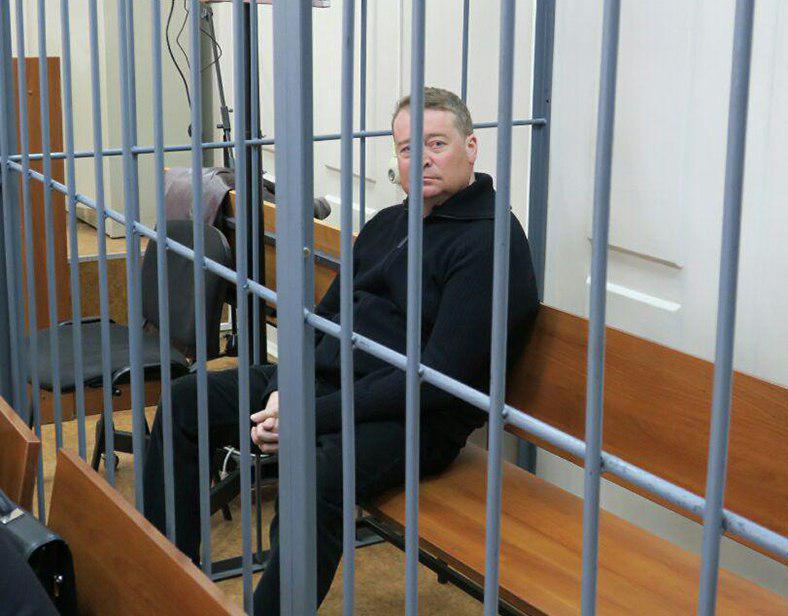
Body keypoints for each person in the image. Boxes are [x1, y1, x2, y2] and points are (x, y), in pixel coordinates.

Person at [143, 87, 539, 614]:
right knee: (185, 402)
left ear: (471, 148)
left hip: (412, 417)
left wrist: (308, 416)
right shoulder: (390, 223)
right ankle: (164, 588)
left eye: (436, 143)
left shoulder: (490, 243)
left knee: (311, 481)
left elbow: (434, 381)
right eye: (406, 148)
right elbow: (323, 318)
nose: (421, 159)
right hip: (331, 385)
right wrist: (285, 387)